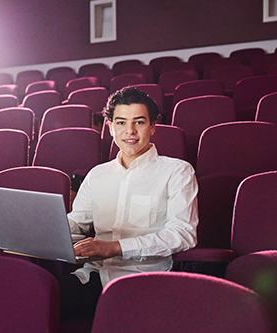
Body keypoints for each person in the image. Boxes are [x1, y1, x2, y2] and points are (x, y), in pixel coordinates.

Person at [58, 87, 199, 321]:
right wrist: (44, 233)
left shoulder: (177, 171)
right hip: (95, 274)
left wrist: (114, 247)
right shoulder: (97, 175)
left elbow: (183, 234)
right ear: (110, 127)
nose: (129, 131)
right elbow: (76, 223)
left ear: (153, 126)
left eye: (139, 122)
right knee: (35, 296)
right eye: (121, 123)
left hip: (147, 279)